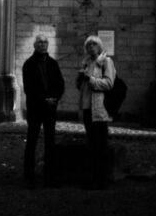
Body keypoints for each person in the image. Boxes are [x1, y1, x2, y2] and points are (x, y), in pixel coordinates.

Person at [22, 33, 65, 185]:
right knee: (32, 141)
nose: (42, 45)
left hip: (50, 109)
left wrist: (55, 98)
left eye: (45, 42)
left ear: (48, 45)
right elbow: (29, 88)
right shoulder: (28, 64)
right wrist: (44, 100)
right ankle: (29, 176)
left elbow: (60, 83)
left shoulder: (53, 63)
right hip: (35, 109)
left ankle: (49, 175)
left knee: (50, 141)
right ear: (34, 45)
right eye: (39, 42)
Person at [75, 34, 116, 188]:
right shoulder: (86, 63)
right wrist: (80, 79)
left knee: (101, 144)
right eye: (89, 45)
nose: (91, 48)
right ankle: (92, 177)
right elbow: (81, 87)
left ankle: (102, 179)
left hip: (100, 109)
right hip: (87, 107)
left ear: (99, 47)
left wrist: (91, 80)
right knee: (91, 143)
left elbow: (109, 83)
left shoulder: (106, 62)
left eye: (94, 45)